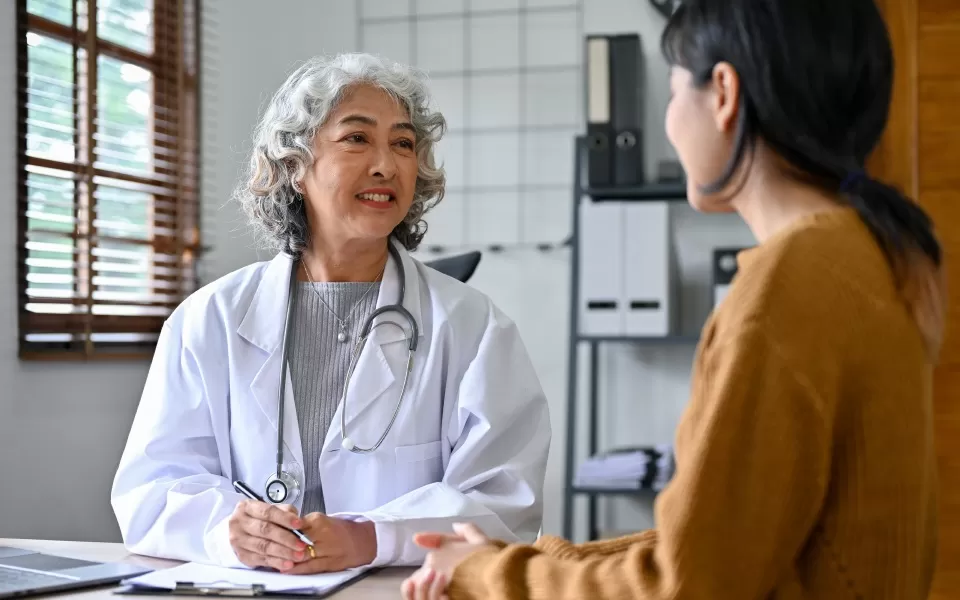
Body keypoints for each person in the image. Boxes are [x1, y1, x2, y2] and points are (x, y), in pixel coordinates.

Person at [403, 0, 944, 597]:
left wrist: (486, 574)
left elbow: (684, 586)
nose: (667, 122)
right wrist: (526, 559)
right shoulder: (866, 253)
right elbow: (725, 542)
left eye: (672, 92)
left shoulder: (788, 287)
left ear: (723, 93)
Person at [110, 52, 551, 574]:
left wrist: (373, 538)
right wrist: (230, 531)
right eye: (357, 138)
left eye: (404, 144)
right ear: (294, 166)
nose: (386, 164)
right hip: (251, 586)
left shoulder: (474, 327)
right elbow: (152, 488)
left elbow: (504, 501)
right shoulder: (209, 319)